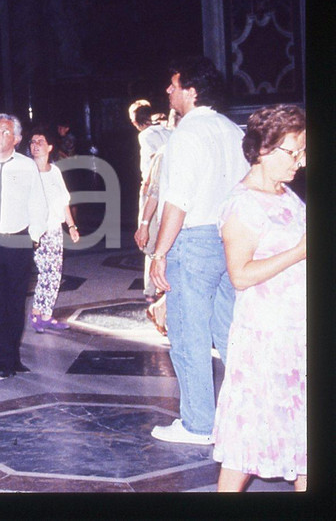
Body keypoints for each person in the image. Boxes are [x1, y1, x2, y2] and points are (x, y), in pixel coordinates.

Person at [148, 57, 248, 444]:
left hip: (192, 243)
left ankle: (198, 424)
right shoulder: (230, 129)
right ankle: (244, 414)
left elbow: (177, 201)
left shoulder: (187, 133)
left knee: (189, 335)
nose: (169, 91)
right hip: (229, 239)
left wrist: (160, 253)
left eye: (174, 85)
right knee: (229, 334)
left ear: (191, 91)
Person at [213, 104, 306, 491]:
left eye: (304, 152)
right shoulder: (243, 204)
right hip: (266, 338)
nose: (301, 162)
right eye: (294, 152)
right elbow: (240, 275)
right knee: (247, 443)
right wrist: (300, 251)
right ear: (264, 149)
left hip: (297, 333)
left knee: (305, 438)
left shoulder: (286, 194)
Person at [0, 113, 48, 380]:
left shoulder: (27, 166)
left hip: (18, 240)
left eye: (4, 132)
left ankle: (13, 357)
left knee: (15, 302)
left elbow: (38, 204)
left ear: (16, 138)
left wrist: (33, 238)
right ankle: (2, 361)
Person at [27, 128, 79, 331]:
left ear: (49, 147)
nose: (36, 144)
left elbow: (64, 201)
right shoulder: (27, 172)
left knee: (54, 273)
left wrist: (72, 226)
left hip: (55, 229)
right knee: (44, 271)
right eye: (33, 141)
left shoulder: (55, 171)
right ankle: (36, 313)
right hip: (36, 231)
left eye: (41, 140)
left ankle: (46, 315)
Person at [128, 100, 171, 303]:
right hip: (171, 189)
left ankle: (150, 290)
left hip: (153, 189)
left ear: (135, 120)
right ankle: (162, 287)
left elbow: (149, 166)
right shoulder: (167, 131)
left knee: (150, 239)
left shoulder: (144, 136)